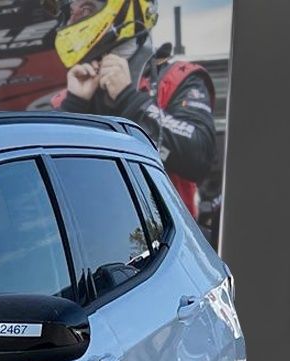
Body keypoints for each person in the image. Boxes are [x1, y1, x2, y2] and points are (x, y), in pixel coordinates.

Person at [44, 0, 217, 218]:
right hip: (91, 243)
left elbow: (199, 158)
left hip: (170, 243)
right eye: (71, 12)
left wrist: (129, 99)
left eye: (86, 9)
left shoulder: (175, 79)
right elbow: (47, 181)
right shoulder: (67, 99)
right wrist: (73, 107)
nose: (72, 20)